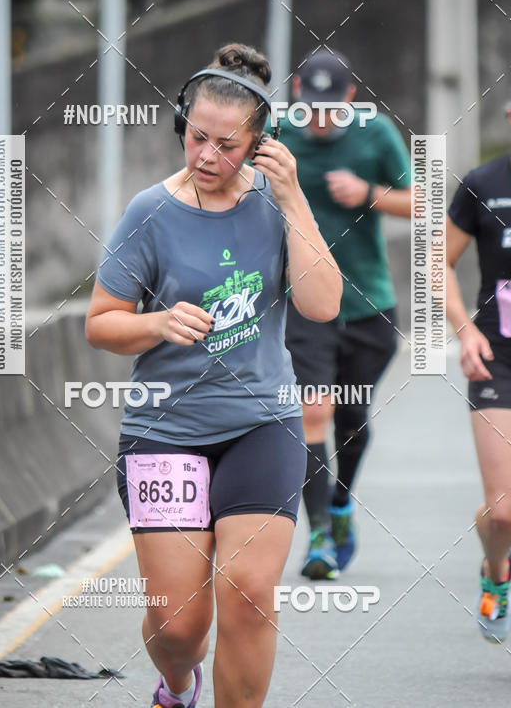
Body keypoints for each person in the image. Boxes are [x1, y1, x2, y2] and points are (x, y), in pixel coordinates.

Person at [85, 43, 342, 708]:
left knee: (249, 594)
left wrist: (294, 199)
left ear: (260, 143)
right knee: (179, 627)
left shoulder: (276, 204)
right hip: (165, 429)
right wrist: (157, 322)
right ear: (182, 123)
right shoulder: (150, 211)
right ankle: (177, 684)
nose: (206, 155)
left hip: (261, 422)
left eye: (227, 145)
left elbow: (322, 304)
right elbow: (101, 323)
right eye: (197, 136)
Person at [276, 48, 412, 579]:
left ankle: (339, 505)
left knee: (352, 419)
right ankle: (317, 540)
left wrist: (369, 193)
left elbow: (424, 203)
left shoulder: (375, 134)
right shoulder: (278, 135)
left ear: (351, 98)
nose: (320, 118)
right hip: (305, 305)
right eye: (311, 106)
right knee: (314, 411)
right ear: (296, 91)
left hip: (368, 304)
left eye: (332, 108)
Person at [446, 81, 511, 644]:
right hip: (501, 359)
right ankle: (497, 569)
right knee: (504, 514)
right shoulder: (483, 184)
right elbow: (438, 262)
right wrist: (465, 331)